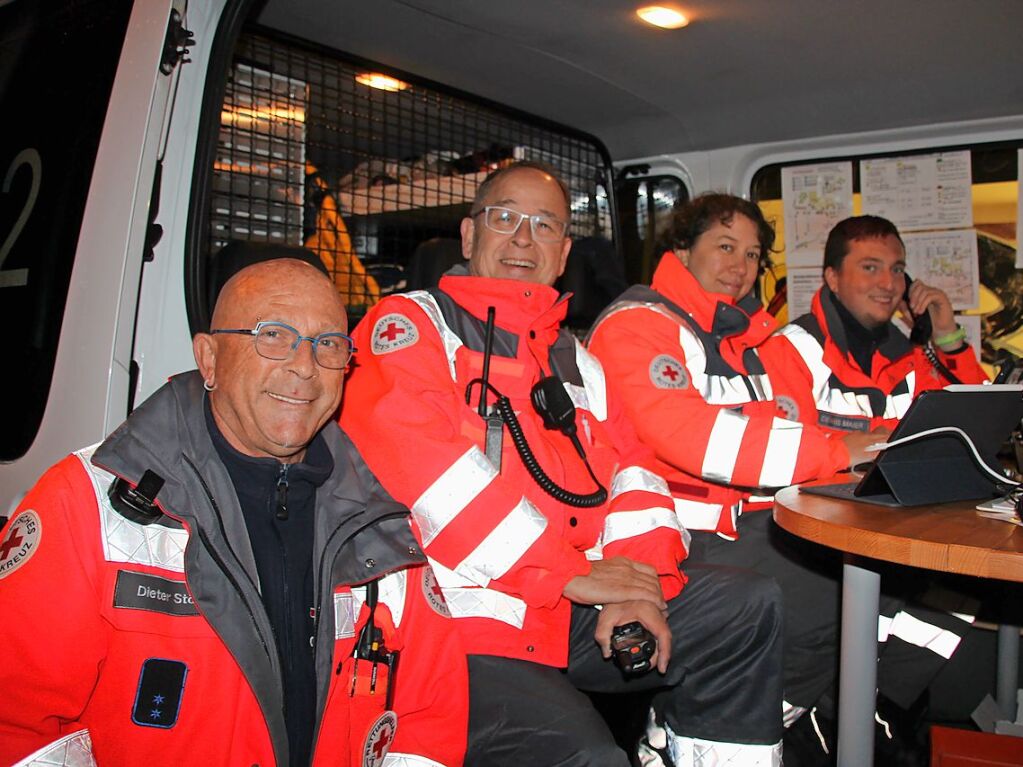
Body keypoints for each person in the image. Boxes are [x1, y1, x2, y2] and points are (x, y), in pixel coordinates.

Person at [340, 162, 785, 766]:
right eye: (506, 218)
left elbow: (636, 475)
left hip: (572, 602)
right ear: (470, 237)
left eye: (545, 225)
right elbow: (423, 473)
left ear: (563, 252)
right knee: (591, 759)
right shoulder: (412, 326)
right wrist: (569, 575)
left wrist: (641, 585)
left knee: (748, 605)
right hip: (464, 622)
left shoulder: (573, 358)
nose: (524, 239)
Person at [0, 258, 467, 767]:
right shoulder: (91, 502)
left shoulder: (378, 523)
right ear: (210, 358)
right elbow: (15, 724)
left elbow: (427, 717)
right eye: (273, 336)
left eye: (328, 344)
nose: (305, 367)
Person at [586, 193, 883, 760]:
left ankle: (734, 724)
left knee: (865, 586)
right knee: (837, 592)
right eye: (724, 246)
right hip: (667, 533)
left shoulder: (747, 341)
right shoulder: (639, 325)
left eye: (751, 255)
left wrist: (879, 444)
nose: (739, 266)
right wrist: (839, 450)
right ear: (680, 248)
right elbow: (691, 435)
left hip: (745, 523)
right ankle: (687, 735)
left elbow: (798, 422)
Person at [773, 214, 988, 432]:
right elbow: (786, 453)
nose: (888, 284)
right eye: (870, 268)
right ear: (833, 278)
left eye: (896, 270)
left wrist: (946, 337)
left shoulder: (908, 358)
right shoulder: (788, 351)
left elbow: (976, 428)